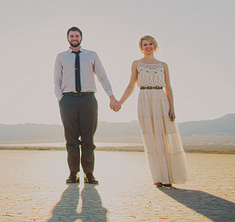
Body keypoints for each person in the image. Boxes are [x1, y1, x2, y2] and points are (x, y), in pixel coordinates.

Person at [117, 35, 189, 187]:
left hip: (161, 99)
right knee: (151, 139)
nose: (148, 46)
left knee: (164, 138)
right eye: (145, 44)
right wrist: (120, 102)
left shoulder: (163, 65)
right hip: (144, 99)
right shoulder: (136, 64)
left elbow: (168, 87)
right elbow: (130, 86)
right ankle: (158, 177)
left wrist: (172, 107)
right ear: (141, 47)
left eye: (150, 44)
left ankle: (168, 178)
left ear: (155, 46)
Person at [54, 27, 120, 184]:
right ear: (67, 38)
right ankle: (73, 173)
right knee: (71, 139)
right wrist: (60, 99)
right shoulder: (61, 57)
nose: (74, 38)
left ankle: (89, 174)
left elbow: (102, 77)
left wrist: (112, 97)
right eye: (72, 36)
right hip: (68, 100)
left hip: (88, 99)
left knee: (88, 139)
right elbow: (57, 80)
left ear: (81, 38)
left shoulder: (91, 55)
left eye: (77, 36)